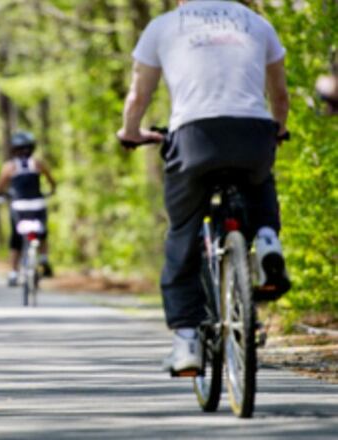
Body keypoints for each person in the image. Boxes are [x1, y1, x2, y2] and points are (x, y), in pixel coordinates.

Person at [116, 1, 291, 374]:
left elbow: (138, 97)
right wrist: (278, 128)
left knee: (183, 232)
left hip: (194, 137)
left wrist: (131, 132)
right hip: (252, 134)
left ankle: (186, 342)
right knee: (259, 182)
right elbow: (280, 96)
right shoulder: (258, 24)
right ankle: (267, 241)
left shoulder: (163, 26)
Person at [0, 131, 56, 286]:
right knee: (42, 233)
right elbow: (51, 181)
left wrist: (1, 195)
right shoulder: (37, 164)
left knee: (16, 240)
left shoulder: (9, 166)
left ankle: (14, 273)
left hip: (19, 206)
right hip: (38, 204)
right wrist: (51, 191)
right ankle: (43, 259)